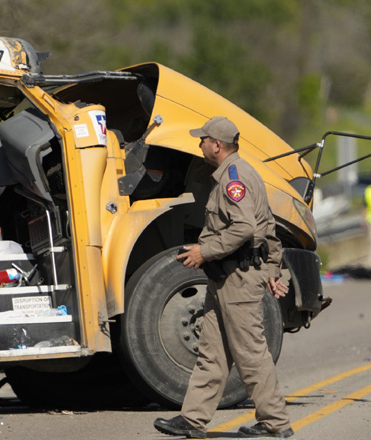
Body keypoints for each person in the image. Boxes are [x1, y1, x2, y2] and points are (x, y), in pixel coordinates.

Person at [153, 116, 293, 439]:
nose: (199, 144)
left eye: (203, 139)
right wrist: (272, 270)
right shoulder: (241, 173)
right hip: (225, 279)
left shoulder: (234, 178)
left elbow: (244, 228)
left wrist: (204, 251)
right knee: (212, 353)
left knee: (250, 352)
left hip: (238, 280)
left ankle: (275, 423)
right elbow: (267, 226)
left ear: (217, 145)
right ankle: (193, 420)